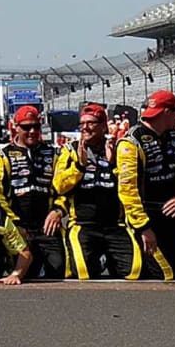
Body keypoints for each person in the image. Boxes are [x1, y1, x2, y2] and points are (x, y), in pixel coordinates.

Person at [53, 103, 136, 280]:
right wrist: (79, 167)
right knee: (83, 273)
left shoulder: (118, 148)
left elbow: (130, 183)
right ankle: (95, 258)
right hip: (83, 224)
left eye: (91, 123)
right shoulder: (70, 150)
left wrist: (113, 163)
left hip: (115, 225)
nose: (85, 127)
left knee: (133, 272)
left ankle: (109, 258)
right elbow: (59, 185)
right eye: (82, 123)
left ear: (103, 126)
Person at [116, 90, 175, 280]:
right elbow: (127, 191)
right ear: (168, 112)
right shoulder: (131, 142)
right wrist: (143, 227)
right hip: (147, 218)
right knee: (164, 274)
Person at [0, 104, 65, 279]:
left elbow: (65, 189)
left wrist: (58, 210)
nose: (32, 131)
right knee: (24, 272)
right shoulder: (1, 155)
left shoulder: (54, 154)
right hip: (17, 227)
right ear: (16, 127)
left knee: (60, 271)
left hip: (46, 227)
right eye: (26, 127)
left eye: (36, 126)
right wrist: (14, 223)